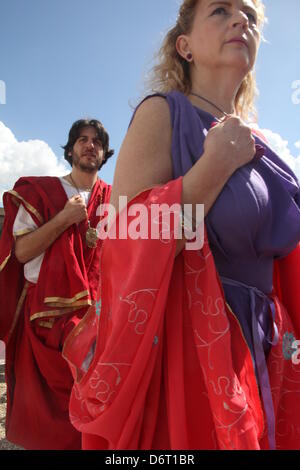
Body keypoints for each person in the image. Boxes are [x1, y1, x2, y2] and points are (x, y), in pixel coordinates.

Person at [63, 0, 300, 450]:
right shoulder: (163, 113)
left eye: (250, 15)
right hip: (193, 354)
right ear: (184, 46)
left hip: (268, 349)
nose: (241, 20)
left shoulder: (262, 141)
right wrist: (214, 167)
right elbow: (125, 240)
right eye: (221, 10)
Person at [0, 118, 114, 449]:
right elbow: (20, 253)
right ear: (69, 150)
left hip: (97, 323)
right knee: (43, 428)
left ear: (104, 153)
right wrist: (63, 219)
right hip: (42, 322)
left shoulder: (116, 199)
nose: (89, 145)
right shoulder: (40, 192)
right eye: (82, 139)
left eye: (97, 141)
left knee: (91, 423)